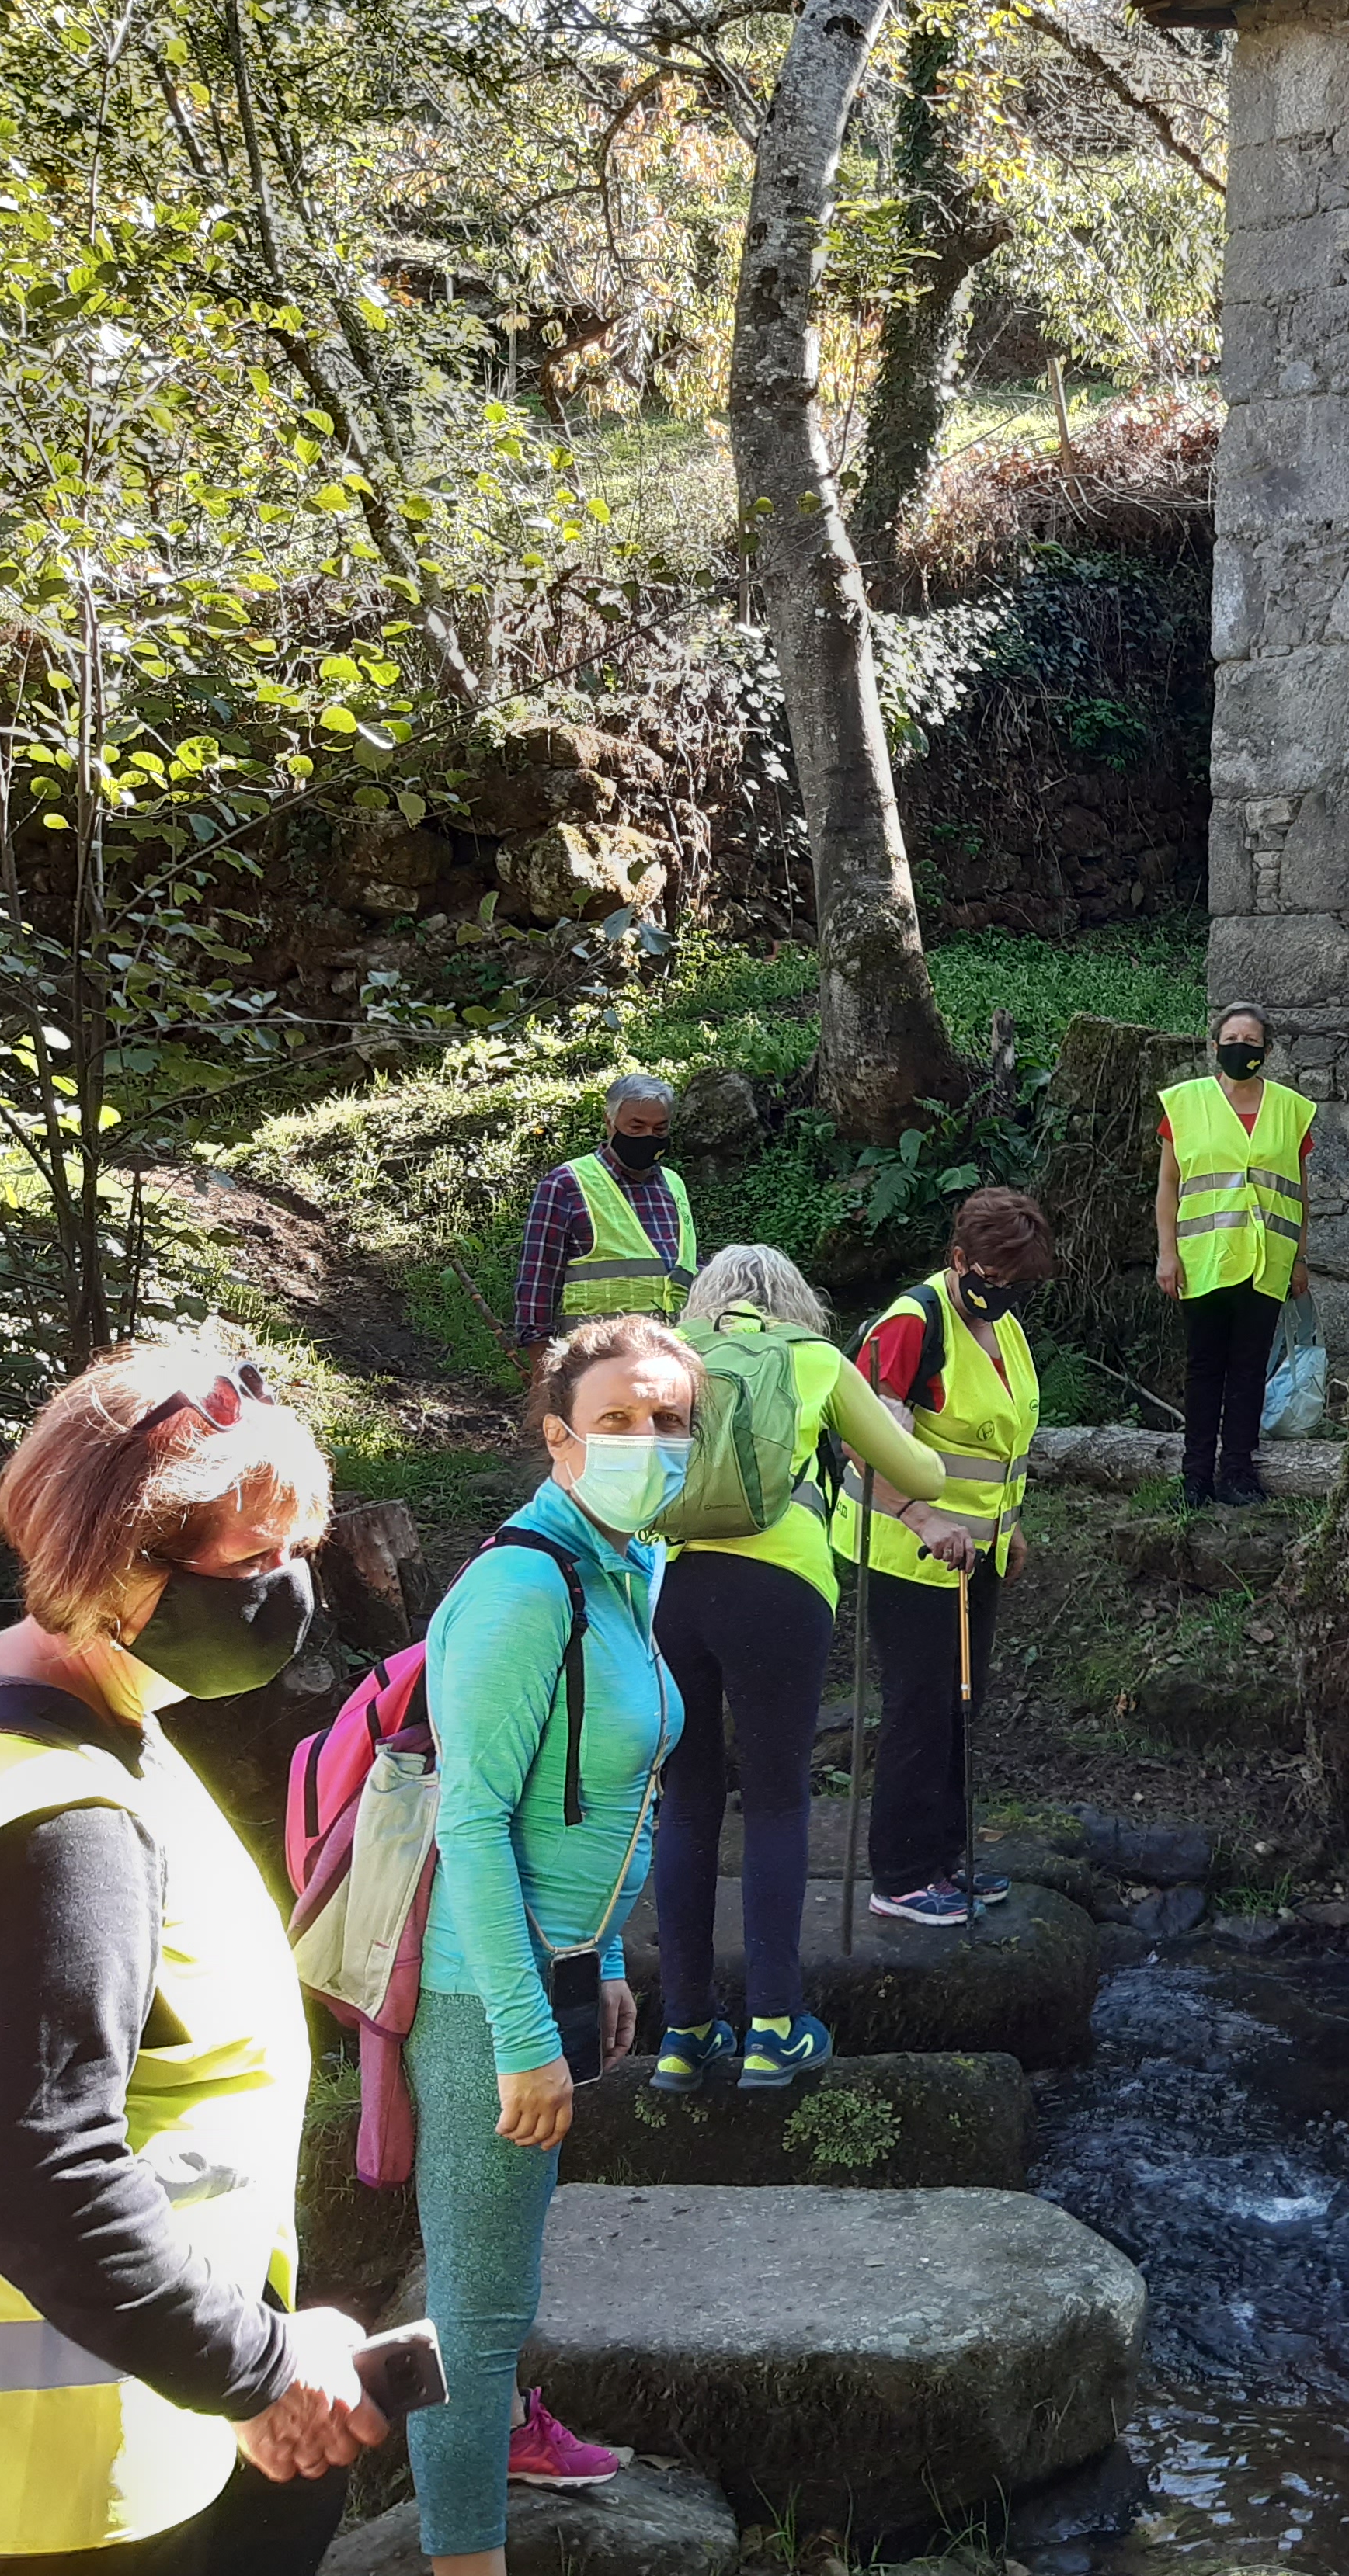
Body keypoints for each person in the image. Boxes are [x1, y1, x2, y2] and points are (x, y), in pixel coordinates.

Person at [0, 1342, 388, 2573]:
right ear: (123, 1562)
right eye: (256, 1559)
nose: (291, 1588)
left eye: (300, 1550)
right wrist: (264, 2373)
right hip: (46, 2480)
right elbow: (41, 2175)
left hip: (81, 2423)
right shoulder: (59, 1825)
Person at [407, 1314, 698, 2574]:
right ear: (559, 1439)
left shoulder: (625, 1570)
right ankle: (461, 2554)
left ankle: (512, 2434)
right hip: (487, 1989)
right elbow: (469, 1821)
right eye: (618, 1420)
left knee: (506, 2273)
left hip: (560, 1965)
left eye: (667, 1420)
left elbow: (607, 1796)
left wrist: (614, 1961)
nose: (645, 1441)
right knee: (468, 2314)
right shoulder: (525, 1587)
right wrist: (527, 2033)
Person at [648, 1245, 953, 2094]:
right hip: (780, 1588)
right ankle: (775, 2026)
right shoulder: (813, 1359)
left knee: (687, 1800)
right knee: (779, 1799)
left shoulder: (664, 1360)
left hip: (668, 1585)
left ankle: (684, 2031)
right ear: (794, 1301)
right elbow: (919, 1472)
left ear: (707, 1301)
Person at [828, 1187, 1053, 1929]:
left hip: (975, 1555)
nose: (1007, 1292)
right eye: (995, 1276)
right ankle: (898, 1875)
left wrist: (1008, 1528)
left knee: (963, 1705)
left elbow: (999, 1444)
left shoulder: (1005, 1325)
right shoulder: (910, 1325)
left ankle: (946, 1858)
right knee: (920, 1710)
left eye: (1021, 1282)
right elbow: (866, 1439)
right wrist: (921, 1517)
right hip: (906, 1551)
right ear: (960, 1260)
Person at [1151, 1004, 1312, 1507]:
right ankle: (1195, 1477)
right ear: (1216, 1045)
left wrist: (1301, 1258)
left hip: (1268, 1261)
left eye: (1252, 1038)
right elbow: (1168, 1186)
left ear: (1266, 1050)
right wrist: (1166, 1254)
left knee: (1249, 1370)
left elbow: (1302, 1191)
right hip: (1203, 1261)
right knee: (1204, 1369)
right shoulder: (1185, 1104)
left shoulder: (1292, 1110)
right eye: (1232, 1036)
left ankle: (1237, 1473)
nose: (1241, 1044)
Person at [509, 1074, 697, 1346]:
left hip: (669, 1358)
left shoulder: (674, 1184)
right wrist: (541, 1372)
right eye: (636, 1127)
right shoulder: (566, 1184)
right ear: (610, 1122)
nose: (649, 1137)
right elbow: (537, 1283)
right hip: (592, 1361)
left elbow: (685, 1268)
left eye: (660, 1129)